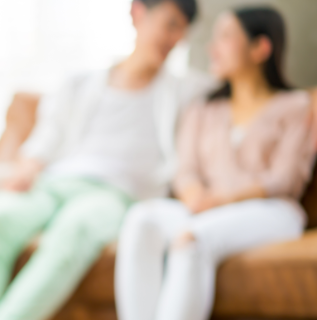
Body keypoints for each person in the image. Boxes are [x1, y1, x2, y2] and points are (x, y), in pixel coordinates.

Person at [0, 0, 214, 319]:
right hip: (55, 184)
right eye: (170, 24)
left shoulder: (188, 91)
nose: (175, 38)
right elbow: (46, 140)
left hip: (116, 196)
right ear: (137, 13)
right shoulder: (79, 83)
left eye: (182, 31)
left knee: (74, 231)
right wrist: (26, 169)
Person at [115, 7, 314, 320]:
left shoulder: (297, 106)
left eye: (225, 37)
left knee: (191, 238)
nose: (212, 47)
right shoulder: (203, 108)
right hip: (206, 207)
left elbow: (284, 178)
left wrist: (223, 199)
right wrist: (195, 196)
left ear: (260, 48)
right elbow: (186, 170)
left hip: (272, 209)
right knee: (142, 219)